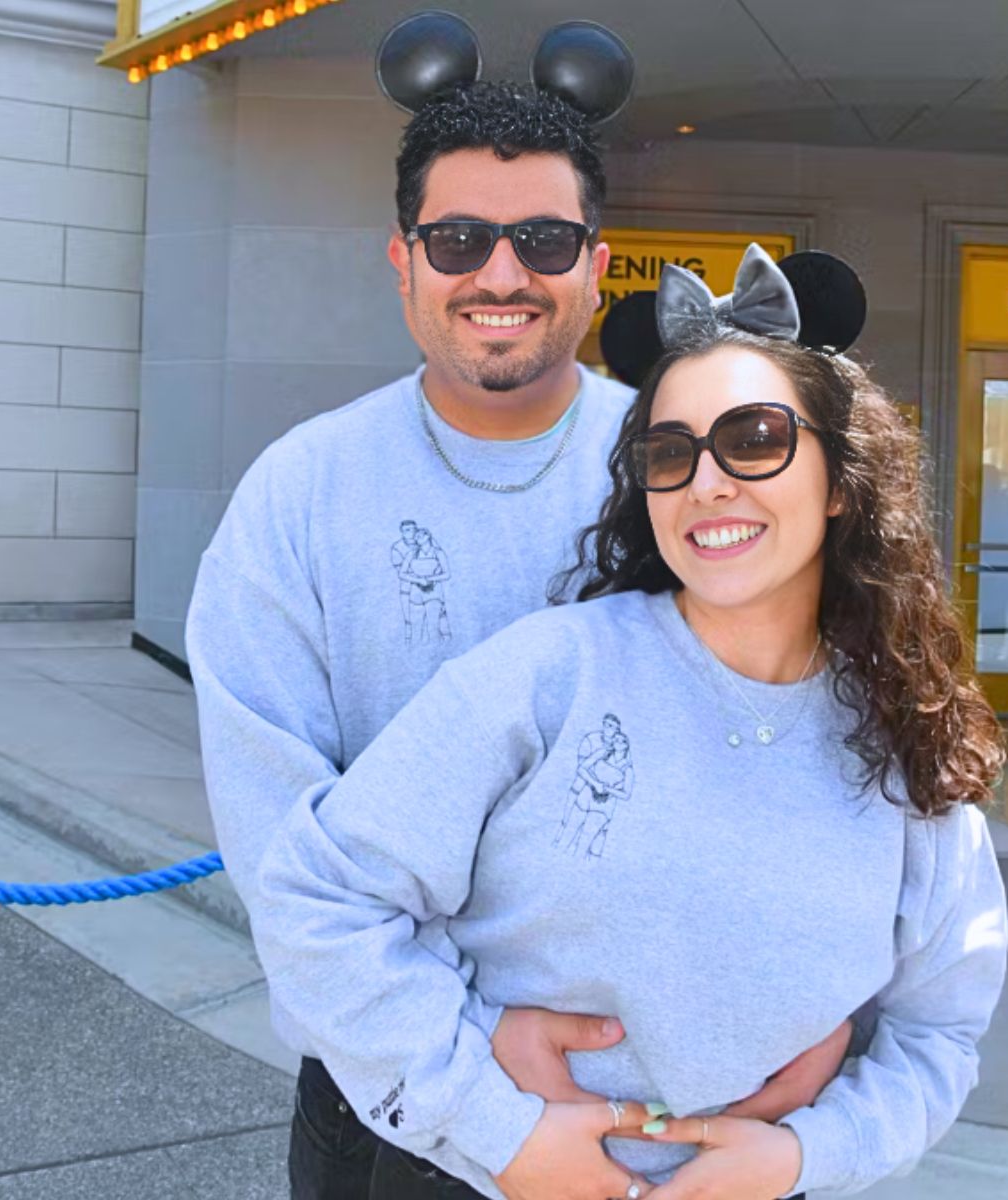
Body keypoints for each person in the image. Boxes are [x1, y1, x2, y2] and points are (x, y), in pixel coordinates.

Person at [185, 76, 852, 1198]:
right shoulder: (298, 493)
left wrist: (827, 996)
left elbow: (812, 743)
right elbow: (281, 856)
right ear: (403, 260)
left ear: (599, 264)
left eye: (543, 239)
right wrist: (476, 1079)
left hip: (696, 1111)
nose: (501, 273)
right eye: (458, 239)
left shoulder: (696, 468)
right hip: (394, 1107)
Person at [252, 246, 1008, 1200]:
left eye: (756, 437)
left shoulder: (905, 735)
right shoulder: (551, 674)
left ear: (845, 479)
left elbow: (938, 1030)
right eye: (670, 450)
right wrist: (499, 1134)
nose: (708, 482)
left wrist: (804, 1156)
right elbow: (317, 899)